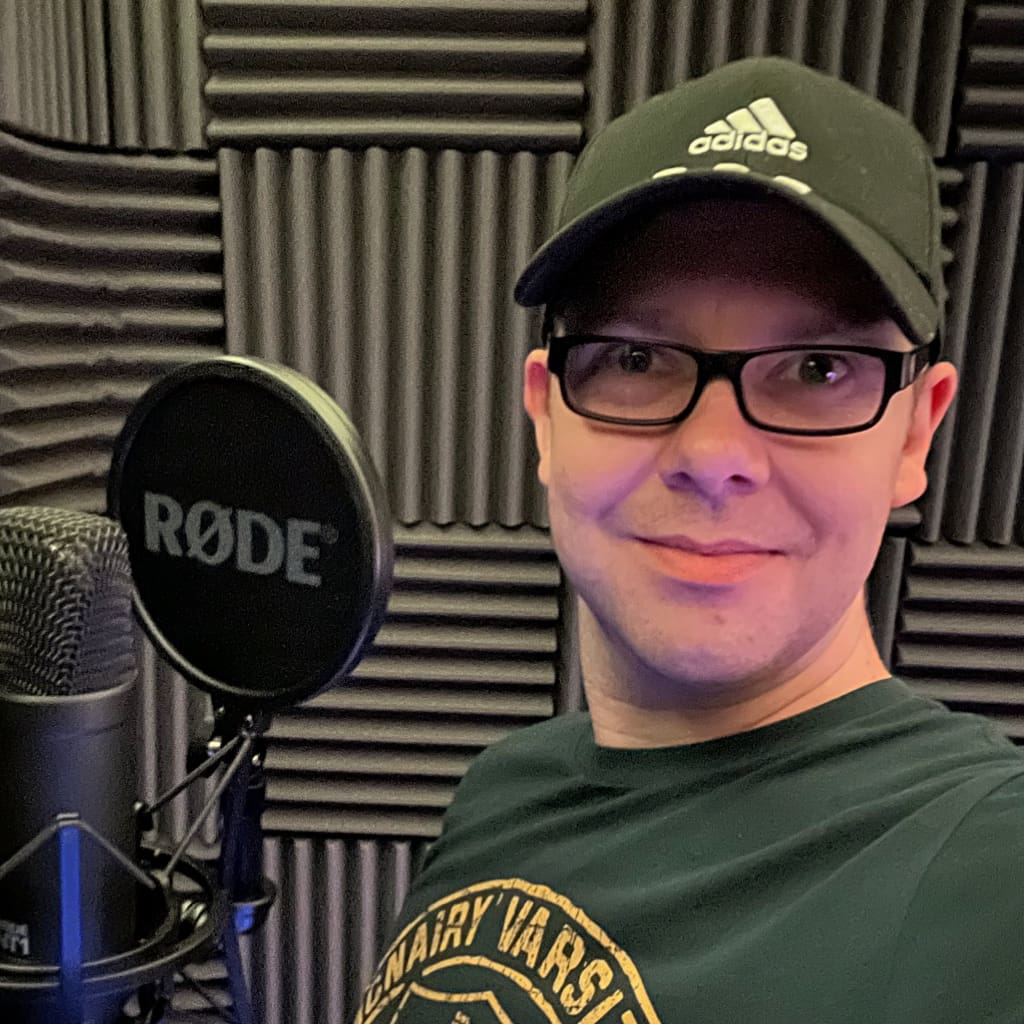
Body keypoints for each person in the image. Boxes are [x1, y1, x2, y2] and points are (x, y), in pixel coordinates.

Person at [352, 56, 1024, 1024]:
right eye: (634, 358)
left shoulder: (982, 863)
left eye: (817, 366)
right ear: (546, 414)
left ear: (915, 432)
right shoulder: (504, 790)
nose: (713, 453)